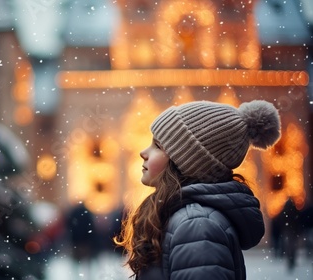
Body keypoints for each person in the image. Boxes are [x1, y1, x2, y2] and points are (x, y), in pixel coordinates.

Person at [114, 100, 281, 280]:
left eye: (158, 146)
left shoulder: (196, 225)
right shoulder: (184, 218)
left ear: (187, 161)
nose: (143, 152)